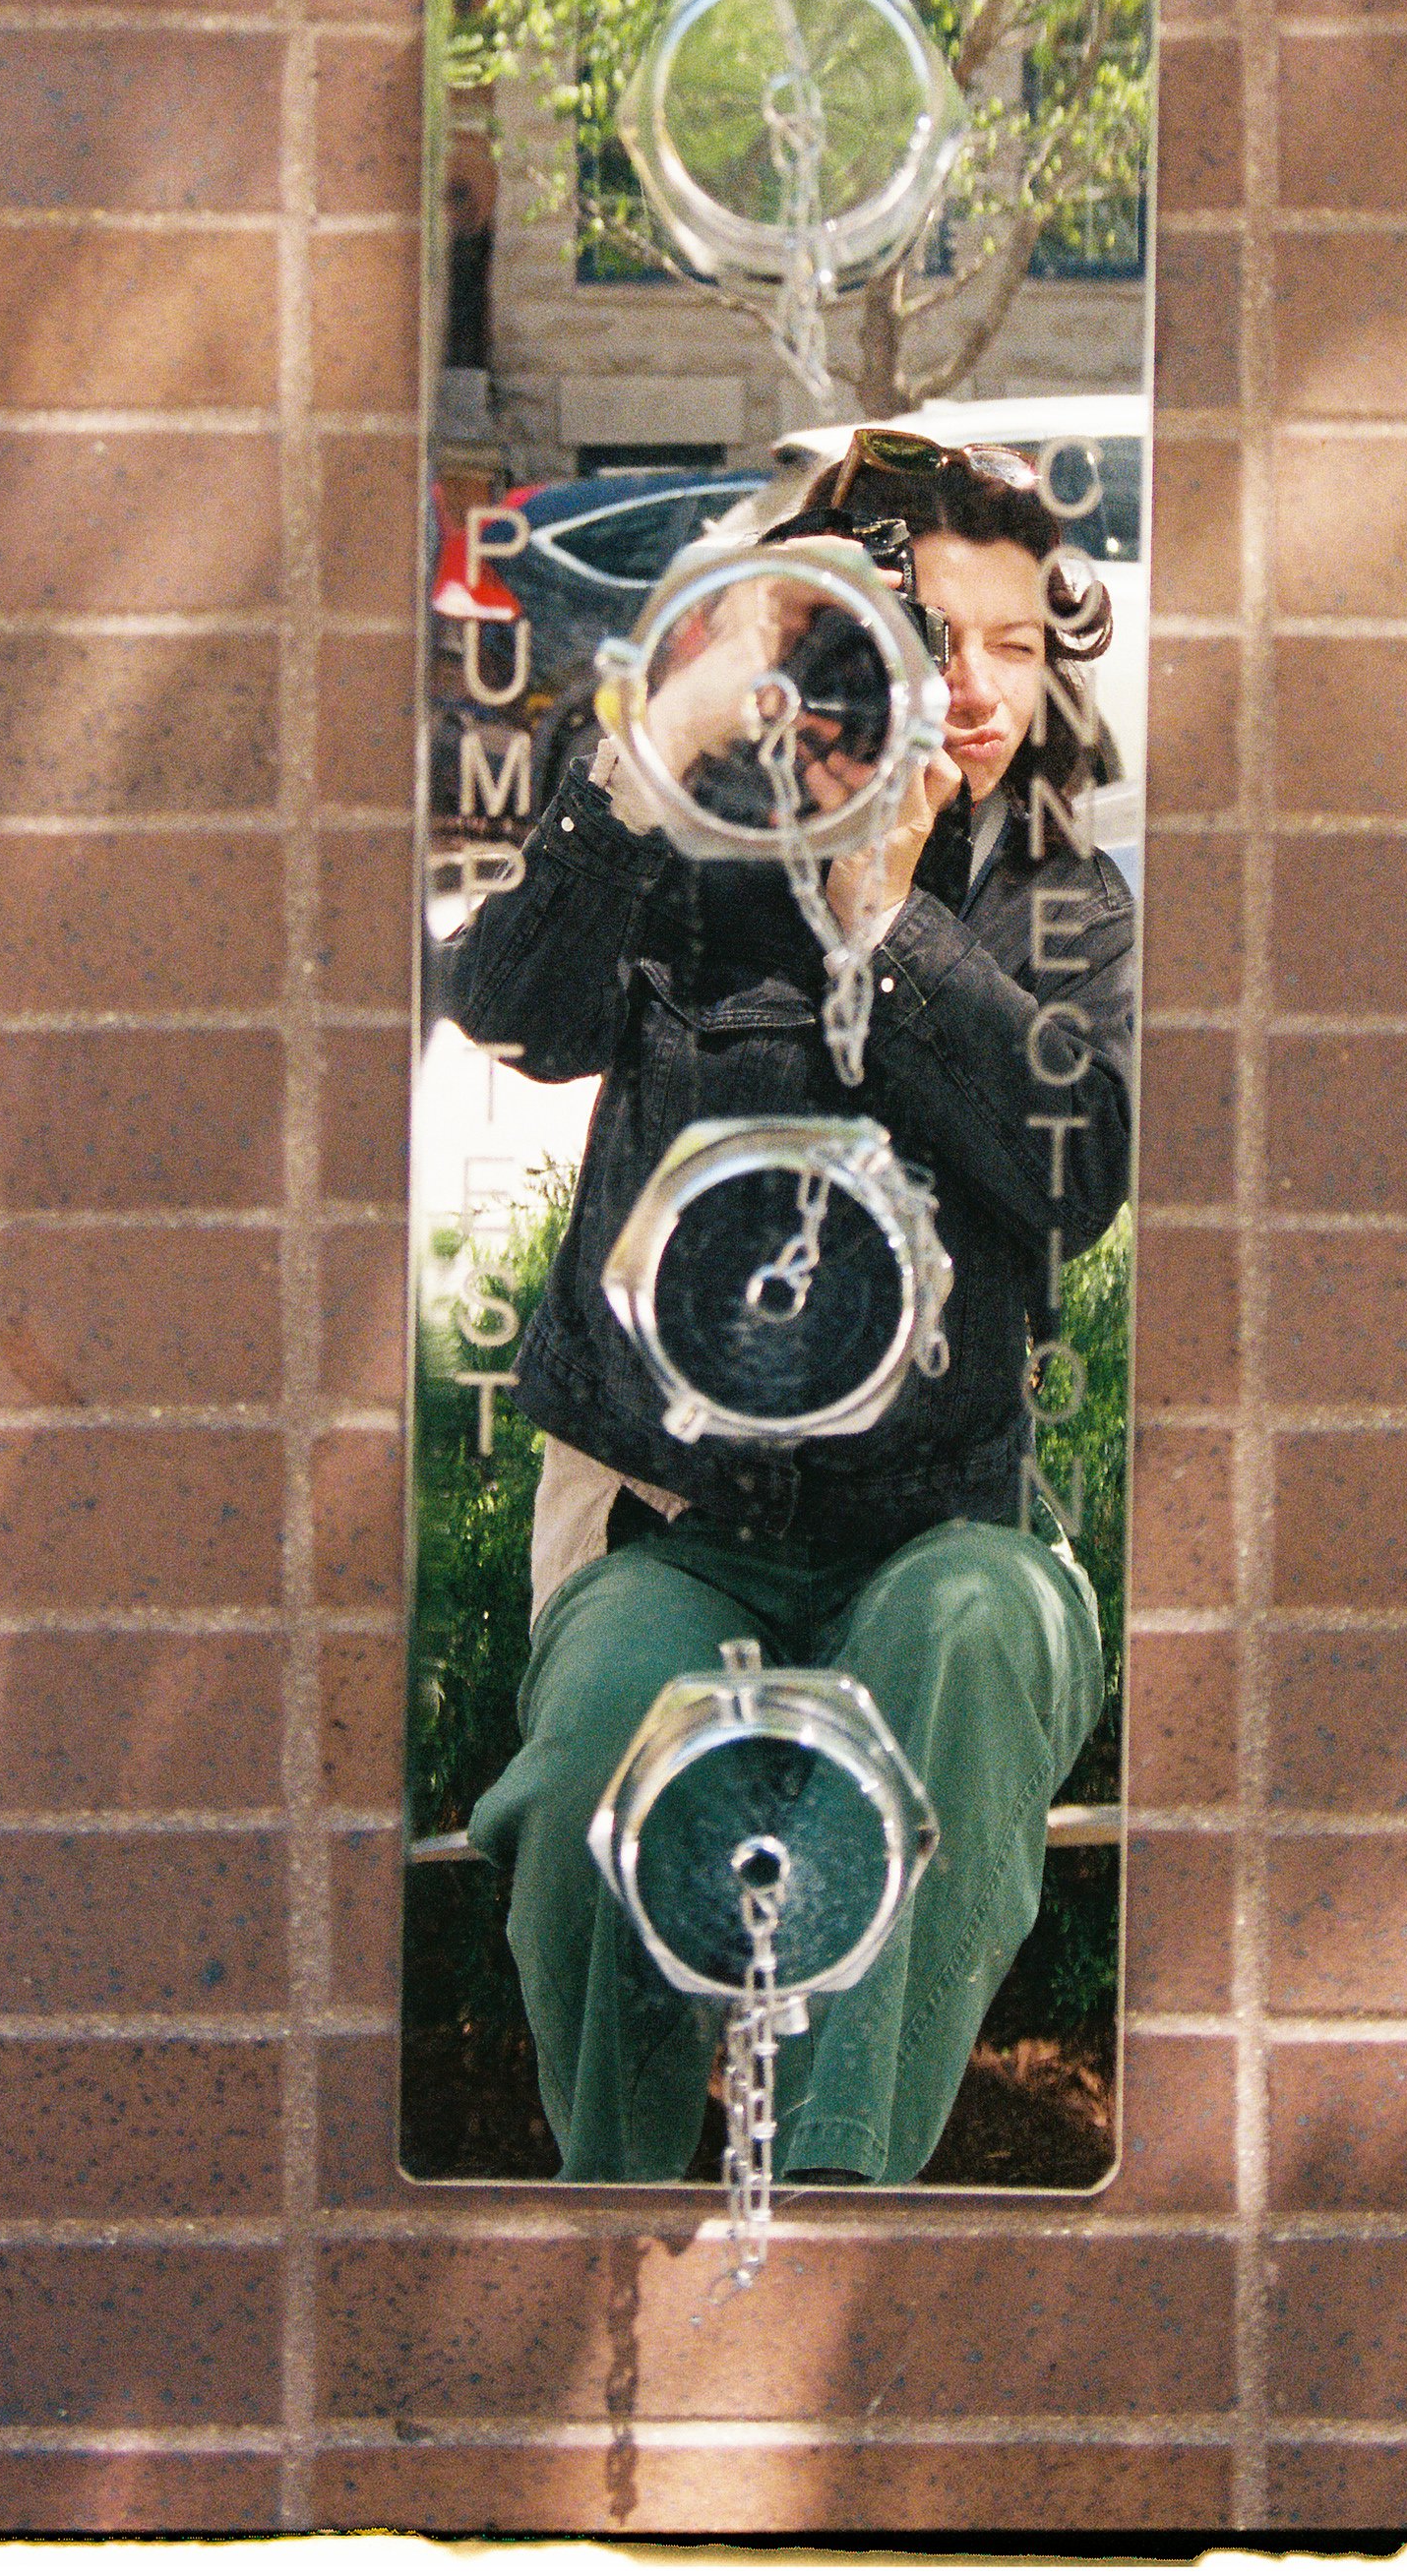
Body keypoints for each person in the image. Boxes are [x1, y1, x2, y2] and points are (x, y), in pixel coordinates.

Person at [427, 433, 1136, 2186]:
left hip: (946, 1538)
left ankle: (833, 2235)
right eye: (926, 639)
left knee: (964, 1640)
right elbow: (511, 1004)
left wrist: (892, 926)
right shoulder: (693, 867)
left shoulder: (1063, 908)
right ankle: (621, 2234)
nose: (971, 690)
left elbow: (1083, 1165)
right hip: (684, 1540)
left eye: (1012, 647)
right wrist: (671, 726)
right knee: (598, 1741)